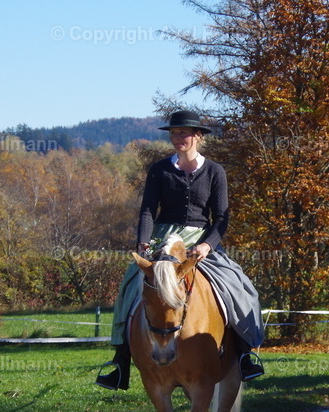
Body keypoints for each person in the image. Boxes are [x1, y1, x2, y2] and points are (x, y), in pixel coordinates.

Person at [96, 111, 265, 390]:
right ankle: (120, 359)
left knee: (239, 286)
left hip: (200, 241)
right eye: (174, 134)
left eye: (183, 133)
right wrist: (143, 240)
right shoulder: (159, 169)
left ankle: (245, 353)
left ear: (198, 136)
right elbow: (148, 210)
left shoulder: (214, 171)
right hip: (163, 238)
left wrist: (207, 245)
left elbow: (221, 217)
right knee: (129, 287)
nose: (178, 138)